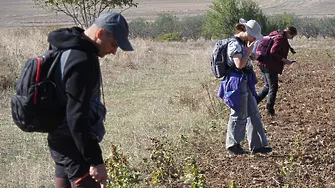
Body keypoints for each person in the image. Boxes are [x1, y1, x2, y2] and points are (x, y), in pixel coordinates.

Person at [47, 12, 133, 188]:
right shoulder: (82, 60)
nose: (114, 51)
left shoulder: (65, 49)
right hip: (74, 144)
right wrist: (95, 160)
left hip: (59, 139)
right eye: (114, 44)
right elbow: (77, 116)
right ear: (100, 33)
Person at [217, 19, 272, 155]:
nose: (254, 38)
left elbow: (246, 59)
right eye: (253, 35)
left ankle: (257, 145)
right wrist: (247, 53)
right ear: (246, 31)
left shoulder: (242, 43)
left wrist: (251, 54)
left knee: (253, 113)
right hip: (236, 82)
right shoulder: (233, 44)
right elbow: (239, 64)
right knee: (239, 113)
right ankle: (233, 145)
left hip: (244, 80)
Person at [256, 26, 298, 116]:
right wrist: (284, 60)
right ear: (289, 33)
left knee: (268, 87)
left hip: (263, 63)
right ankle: (269, 110)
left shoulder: (276, 33)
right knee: (273, 88)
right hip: (269, 65)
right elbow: (273, 52)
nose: (292, 38)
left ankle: (253, 103)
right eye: (292, 36)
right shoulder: (281, 38)